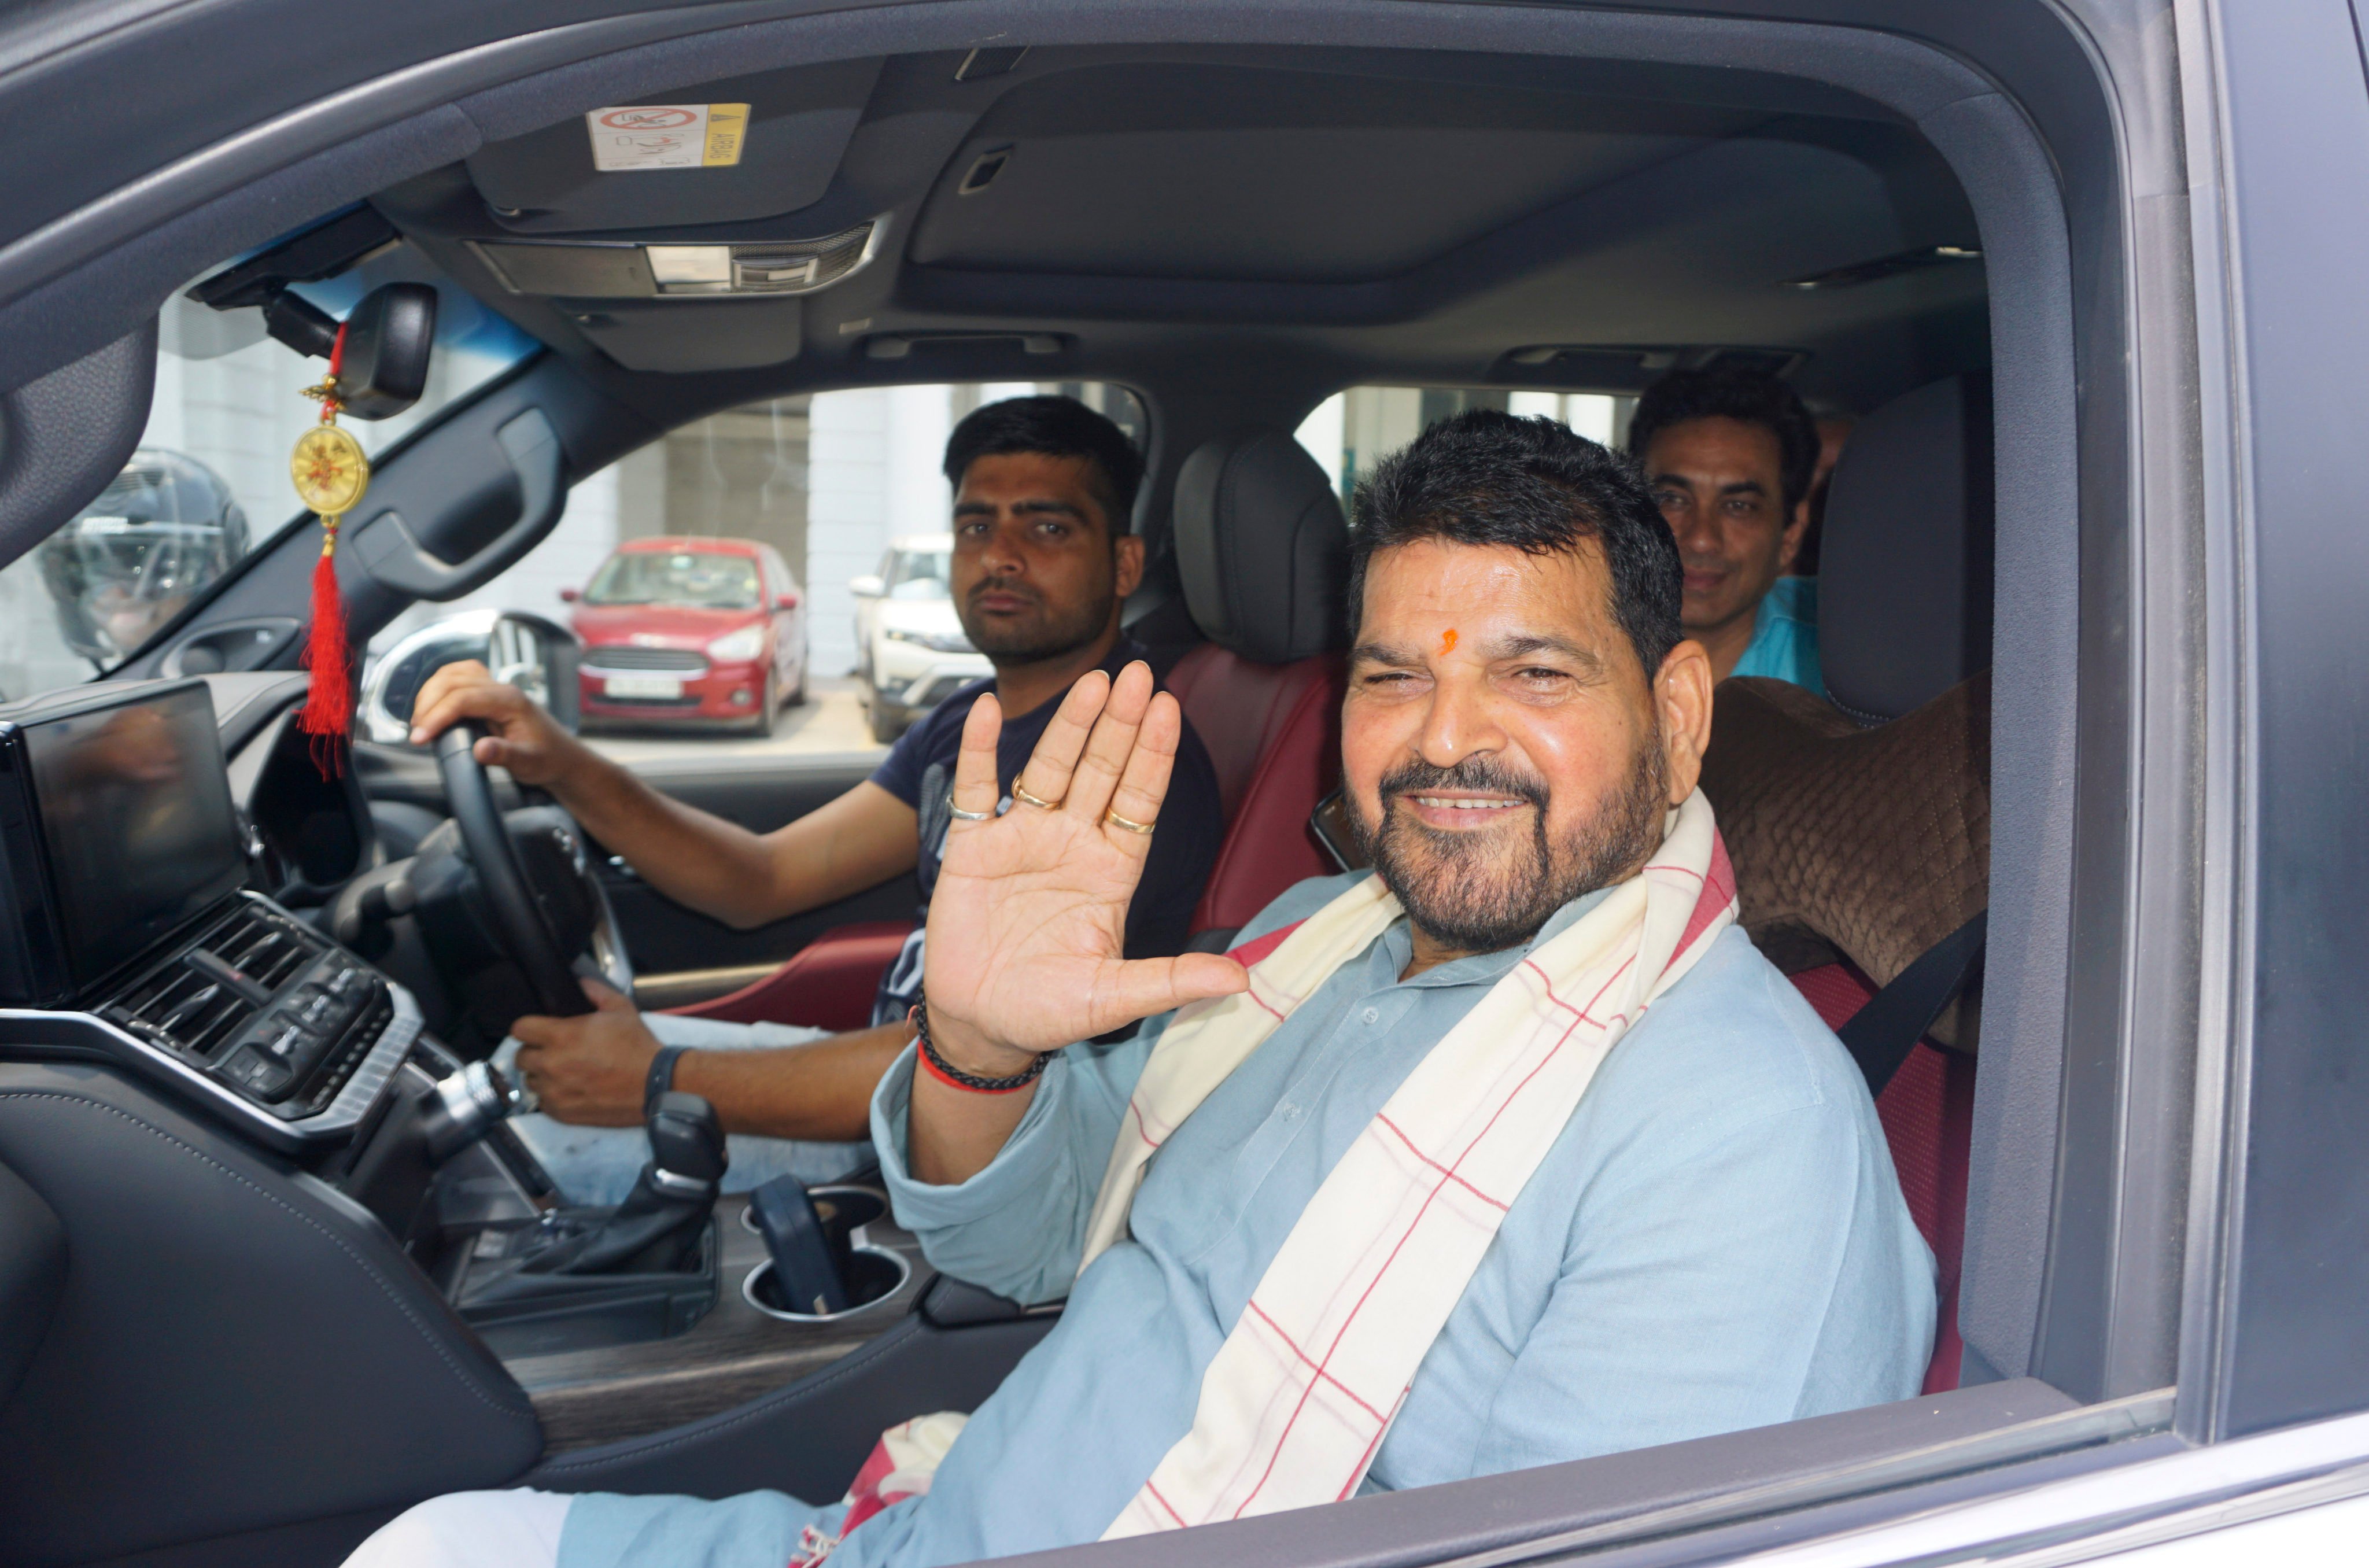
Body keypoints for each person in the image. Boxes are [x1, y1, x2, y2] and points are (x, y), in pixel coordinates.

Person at [353, 410, 1933, 1568]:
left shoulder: (1742, 1141)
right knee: (418, 1537)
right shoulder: (1323, 933)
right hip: (922, 1517)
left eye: (1533, 671)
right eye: (1394, 672)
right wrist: (975, 1058)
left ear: (1673, 703)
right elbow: (1034, 1232)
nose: (1445, 737)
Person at [405, 396, 1225, 1202]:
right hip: (884, 1072)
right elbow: (760, 879)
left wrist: (657, 1077)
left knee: (493, 1155)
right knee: (518, 1078)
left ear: (1124, 563)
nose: (1000, 555)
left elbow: (1005, 1054)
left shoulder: (1123, 761)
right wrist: (563, 764)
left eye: (1047, 527)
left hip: (966, 1135)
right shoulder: (965, 723)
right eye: (977, 525)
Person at [1627, 368, 1826, 693]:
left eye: (1739, 507)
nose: (1702, 539)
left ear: (1790, 533)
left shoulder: (1842, 662)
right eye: (1673, 499)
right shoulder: (1562, 645)